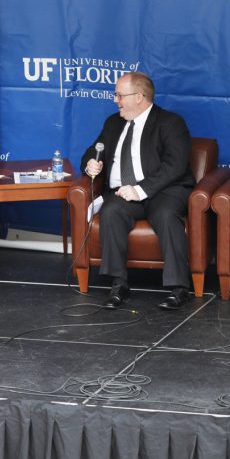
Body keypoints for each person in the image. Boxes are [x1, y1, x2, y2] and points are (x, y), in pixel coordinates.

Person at [80, 72, 195, 311]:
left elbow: (175, 165)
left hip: (164, 190)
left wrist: (141, 189)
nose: (115, 100)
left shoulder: (170, 122)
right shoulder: (114, 122)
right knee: (111, 211)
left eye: (120, 95)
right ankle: (118, 284)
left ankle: (179, 287)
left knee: (165, 215)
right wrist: (92, 163)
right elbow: (93, 151)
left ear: (140, 97)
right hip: (124, 193)